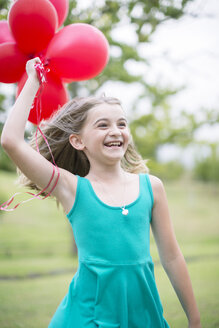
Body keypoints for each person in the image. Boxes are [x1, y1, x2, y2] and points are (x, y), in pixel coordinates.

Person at [1, 57, 201, 328]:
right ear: (78, 141)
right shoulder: (71, 187)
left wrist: (195, 318)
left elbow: (172, 256)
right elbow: (11, 141)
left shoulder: (152, 187)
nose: (115, 131)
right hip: (88, 317)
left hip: (143, 315)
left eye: (121, 123)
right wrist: (33, 81)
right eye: (103, 125)